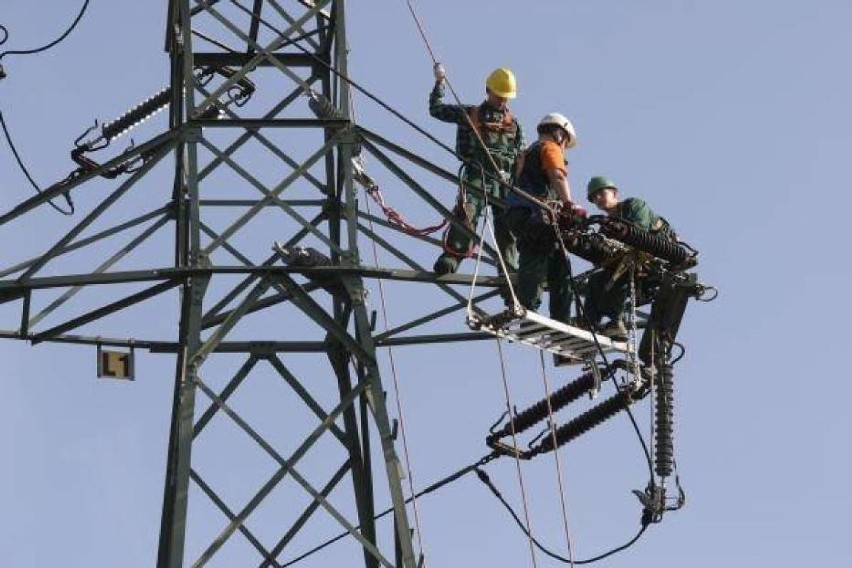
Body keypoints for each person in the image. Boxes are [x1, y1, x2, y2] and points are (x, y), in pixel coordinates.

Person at [429, 65, 524, 275]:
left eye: (506, 97)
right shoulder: (470, 114)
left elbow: (521, 158)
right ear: (488, 90)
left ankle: (510, 272)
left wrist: (519, 184)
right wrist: (440, 84)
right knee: (467, 213)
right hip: (477, 175)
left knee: (508, 227)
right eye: (499, 95)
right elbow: (436, 109)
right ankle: (452, 256)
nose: (503, 100)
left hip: (505, 182)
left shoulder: (514, 125)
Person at [503, 113, 583, 324]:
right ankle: (527, 308)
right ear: (559, 134)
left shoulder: (525, 154)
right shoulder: (550, 148)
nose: (564, 146)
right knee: (536, 254)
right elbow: (557, 175)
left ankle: (561, 320)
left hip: (519, 213)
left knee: (559, 264)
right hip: (533, 212)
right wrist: (569, 204)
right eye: (565, 141)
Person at [583, 176, 677, 340]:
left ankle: (616, 322)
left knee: (620, 272)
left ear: (614, 193)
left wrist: (614, 231)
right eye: (593, 198)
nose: (597, 199)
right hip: (630, 260)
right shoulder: (605, 226)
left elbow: (639, 233)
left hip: (655, 256)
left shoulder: (633, 205)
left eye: (600, 193)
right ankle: (589, 323)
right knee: (596, 280)